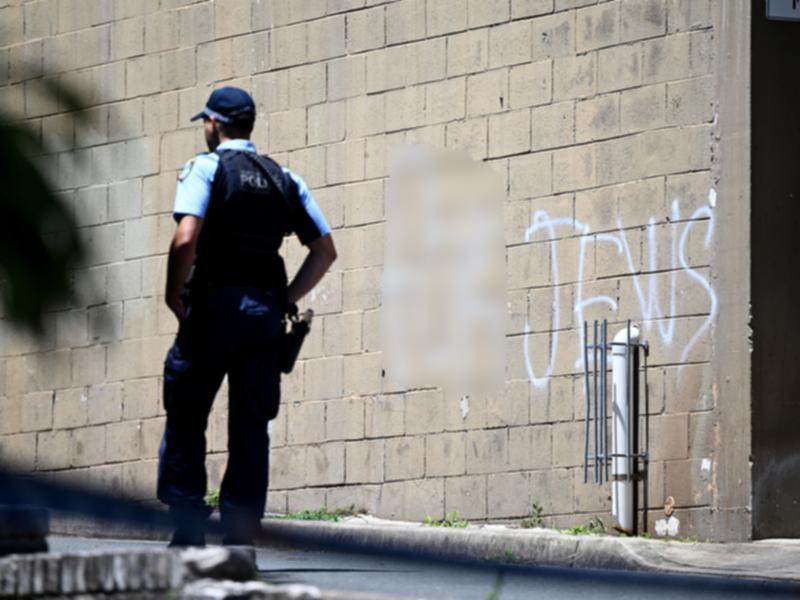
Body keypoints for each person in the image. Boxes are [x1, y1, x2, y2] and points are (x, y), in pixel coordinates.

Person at [156, 86, 337, 547]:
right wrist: (285, 299)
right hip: (261, 318)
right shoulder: (284, 179)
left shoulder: (206, 167)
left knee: (187, 412)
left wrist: (174, 293)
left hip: (212, 311)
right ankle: (239, 531)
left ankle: (189, 525)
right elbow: (324, 251)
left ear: (214, 123)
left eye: (206, 121)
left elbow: (185, 238)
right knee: (251, 425)